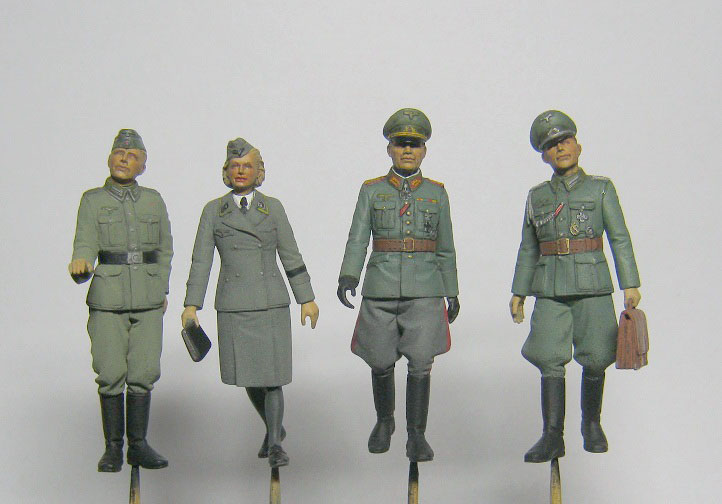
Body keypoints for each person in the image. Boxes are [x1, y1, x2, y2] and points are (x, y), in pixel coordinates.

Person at [509, 110, 642, 463]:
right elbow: (528, 247)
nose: (560, 149)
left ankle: (591, 424)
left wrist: (630, 284)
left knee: (597, 354)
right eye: (551, 146)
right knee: (548, 356)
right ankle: (552, 434)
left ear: (578, 145)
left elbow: (619, 238)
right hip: (550, 287)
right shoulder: (537, 197)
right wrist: (519, 291)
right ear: (544, 156)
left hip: (592, 284)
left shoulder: (600, 188)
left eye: (565, 141)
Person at [181, 138, 319, 468]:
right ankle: (274, 427)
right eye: (235, 166)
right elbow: (201, 261)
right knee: (247, 375)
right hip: (234, 304)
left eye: (247, 166)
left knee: (273, 376)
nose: (241, 171)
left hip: (270, 301)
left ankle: (275, 443)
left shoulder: (273, 208)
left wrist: (307, 298)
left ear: (259, 172)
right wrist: (191, 304)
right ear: (226, 171)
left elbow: (290, 254)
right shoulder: (213, 212)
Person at [337, 108, 460, 463]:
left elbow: (445, 247)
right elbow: (358, 237)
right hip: (381, 287)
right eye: (401, 143)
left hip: (425, 288)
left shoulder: (437, 193)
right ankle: (384, 420)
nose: (408, 150)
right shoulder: (371, 191)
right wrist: (348, 274)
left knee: (421, 362)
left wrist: (451, 289)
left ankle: (417, 435)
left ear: (424, 151)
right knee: (379, 358)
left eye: (414, 144)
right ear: (389, 148)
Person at [69, 129, 173, 472]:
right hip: (108, 298)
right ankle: (113, 448)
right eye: (119, 153)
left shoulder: (153, 200)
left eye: (132, 156)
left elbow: (164, 249)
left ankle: (138, 445)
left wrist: (162, 289)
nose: (124, 160)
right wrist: (81, 263)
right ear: (109, 158)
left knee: (144, 371)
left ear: (143, 165)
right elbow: (85, 240)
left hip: (148, 298)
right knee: (110, 370)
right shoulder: (92, 200)